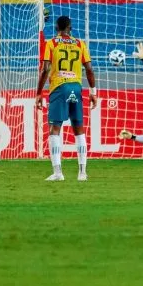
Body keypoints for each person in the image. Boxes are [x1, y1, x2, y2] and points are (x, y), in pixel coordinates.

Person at [37, 15, 97, 181]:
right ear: (70, 28)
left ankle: (58, 173)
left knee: (54, 130)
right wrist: (93, 92)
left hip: (59, 87)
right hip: (76, 87)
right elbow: (90, 69)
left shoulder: (51, 43)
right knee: (79, 130)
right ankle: (82, 173)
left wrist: (39, 92)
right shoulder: (80, 44)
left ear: (56, 28)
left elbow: (45, 69)